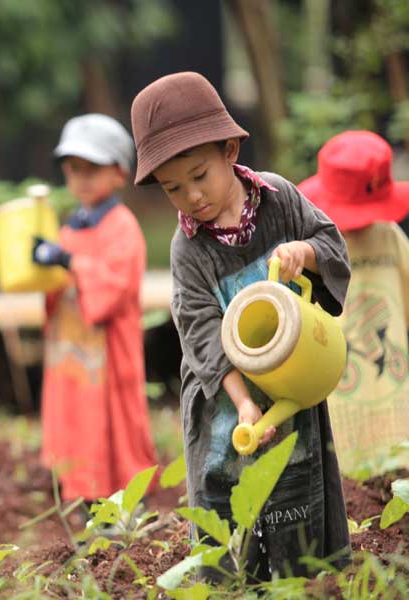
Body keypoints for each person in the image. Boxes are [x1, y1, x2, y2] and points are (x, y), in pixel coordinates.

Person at [130, 72, 351, 580]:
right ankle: (236, 583)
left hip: (290, 378)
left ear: (229, 150)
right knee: (228, 502)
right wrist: (246, 403)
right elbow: (201, 334)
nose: (192, 196)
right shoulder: (188, 250)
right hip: (225, 398)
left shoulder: (280, 199)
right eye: (173, 188)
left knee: (296, 488)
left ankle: (302, 579)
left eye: (199, 175)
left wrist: (306, 252)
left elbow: (331, 244)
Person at [31, 114, 159, 504]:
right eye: (73, 169)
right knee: (72, 415)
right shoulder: (69, 229)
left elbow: (115, 286)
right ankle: (77, 487)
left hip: (106, 353)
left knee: (111, 420)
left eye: (93, 168)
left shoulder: (123, 227)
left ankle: (121, 495)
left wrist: (69, 263)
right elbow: (53, 291)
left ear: (119, 173)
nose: (82, 178)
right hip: (71, 347)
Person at [298, 130, 409, 476]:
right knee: (345, 465)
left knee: (397, 456)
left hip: (392, 381)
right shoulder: (314, 245)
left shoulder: (390, 236)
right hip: (338, 376)